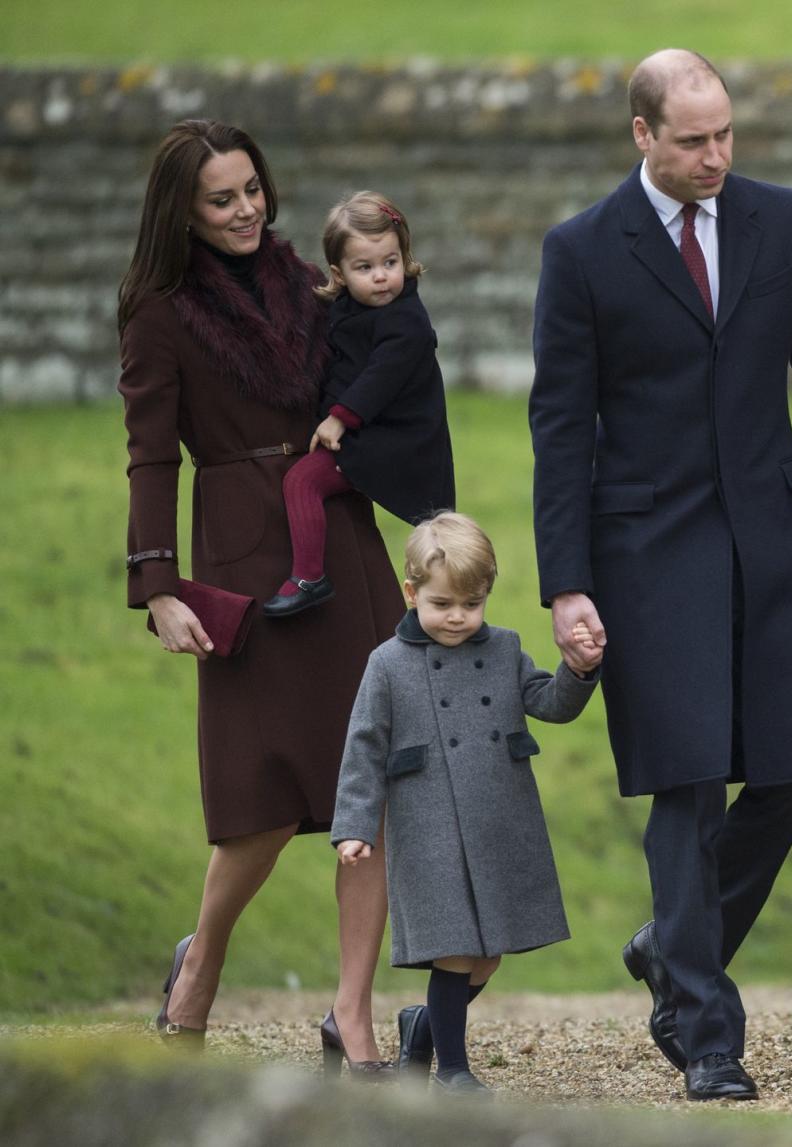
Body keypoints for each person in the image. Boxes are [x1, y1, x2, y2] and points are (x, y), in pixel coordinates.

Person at [529, 49, 792, 1101]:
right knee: (685, 784)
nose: (717, 156)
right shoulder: (584, 250)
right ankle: (706, 1033)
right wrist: (569, 583)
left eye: (726, 133)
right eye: (693, 140)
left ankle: (671, 949)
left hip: (771, 541)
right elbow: (559, 429)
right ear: (642, 135)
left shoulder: (783, 220)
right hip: (646, 553)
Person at [118, 119, 405, 1076]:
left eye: (252, 190)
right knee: (260, 803)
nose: (245, 211)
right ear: (183, 211)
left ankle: (353, 1016)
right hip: (242, 556)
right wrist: (157, 585)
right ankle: (200, 963)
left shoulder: (309, 282)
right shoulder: (158, 311)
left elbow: (387, 364)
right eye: (221, 199)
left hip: (343, 542)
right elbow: (152, 456)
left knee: (370, 793)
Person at [330, 512, 600, 1093]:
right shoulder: (387, 664)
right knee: (454, 952)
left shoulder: (503, 649)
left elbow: (550, 703)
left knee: (487, 957)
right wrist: (354, 827)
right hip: (428, 827)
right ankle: (453, 1069)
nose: (457, 617)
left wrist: (580, 669)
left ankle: (422, 1027)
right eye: (443, 603)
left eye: (472, 604)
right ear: (412, 593)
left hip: (501, 819)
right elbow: (363, 748)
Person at [263, 192, 455, 617]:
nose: (382, 277)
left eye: (390, 262)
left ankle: (309, 577)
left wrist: (338, 418)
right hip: (371, 434)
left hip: (394, 442)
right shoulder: (347, 310)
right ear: (339, 273)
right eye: (364, 268)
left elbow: (379, 377)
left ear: (404, 256)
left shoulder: (407, 321)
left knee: (302, 482)